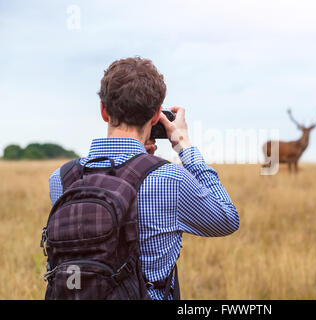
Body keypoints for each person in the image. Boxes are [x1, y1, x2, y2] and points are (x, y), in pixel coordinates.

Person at [48, 57, 240, 299]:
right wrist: (184, 145)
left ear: (103, 111)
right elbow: (227, 219)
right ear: (156, 114)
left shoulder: (62, 179)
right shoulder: (170, 179)